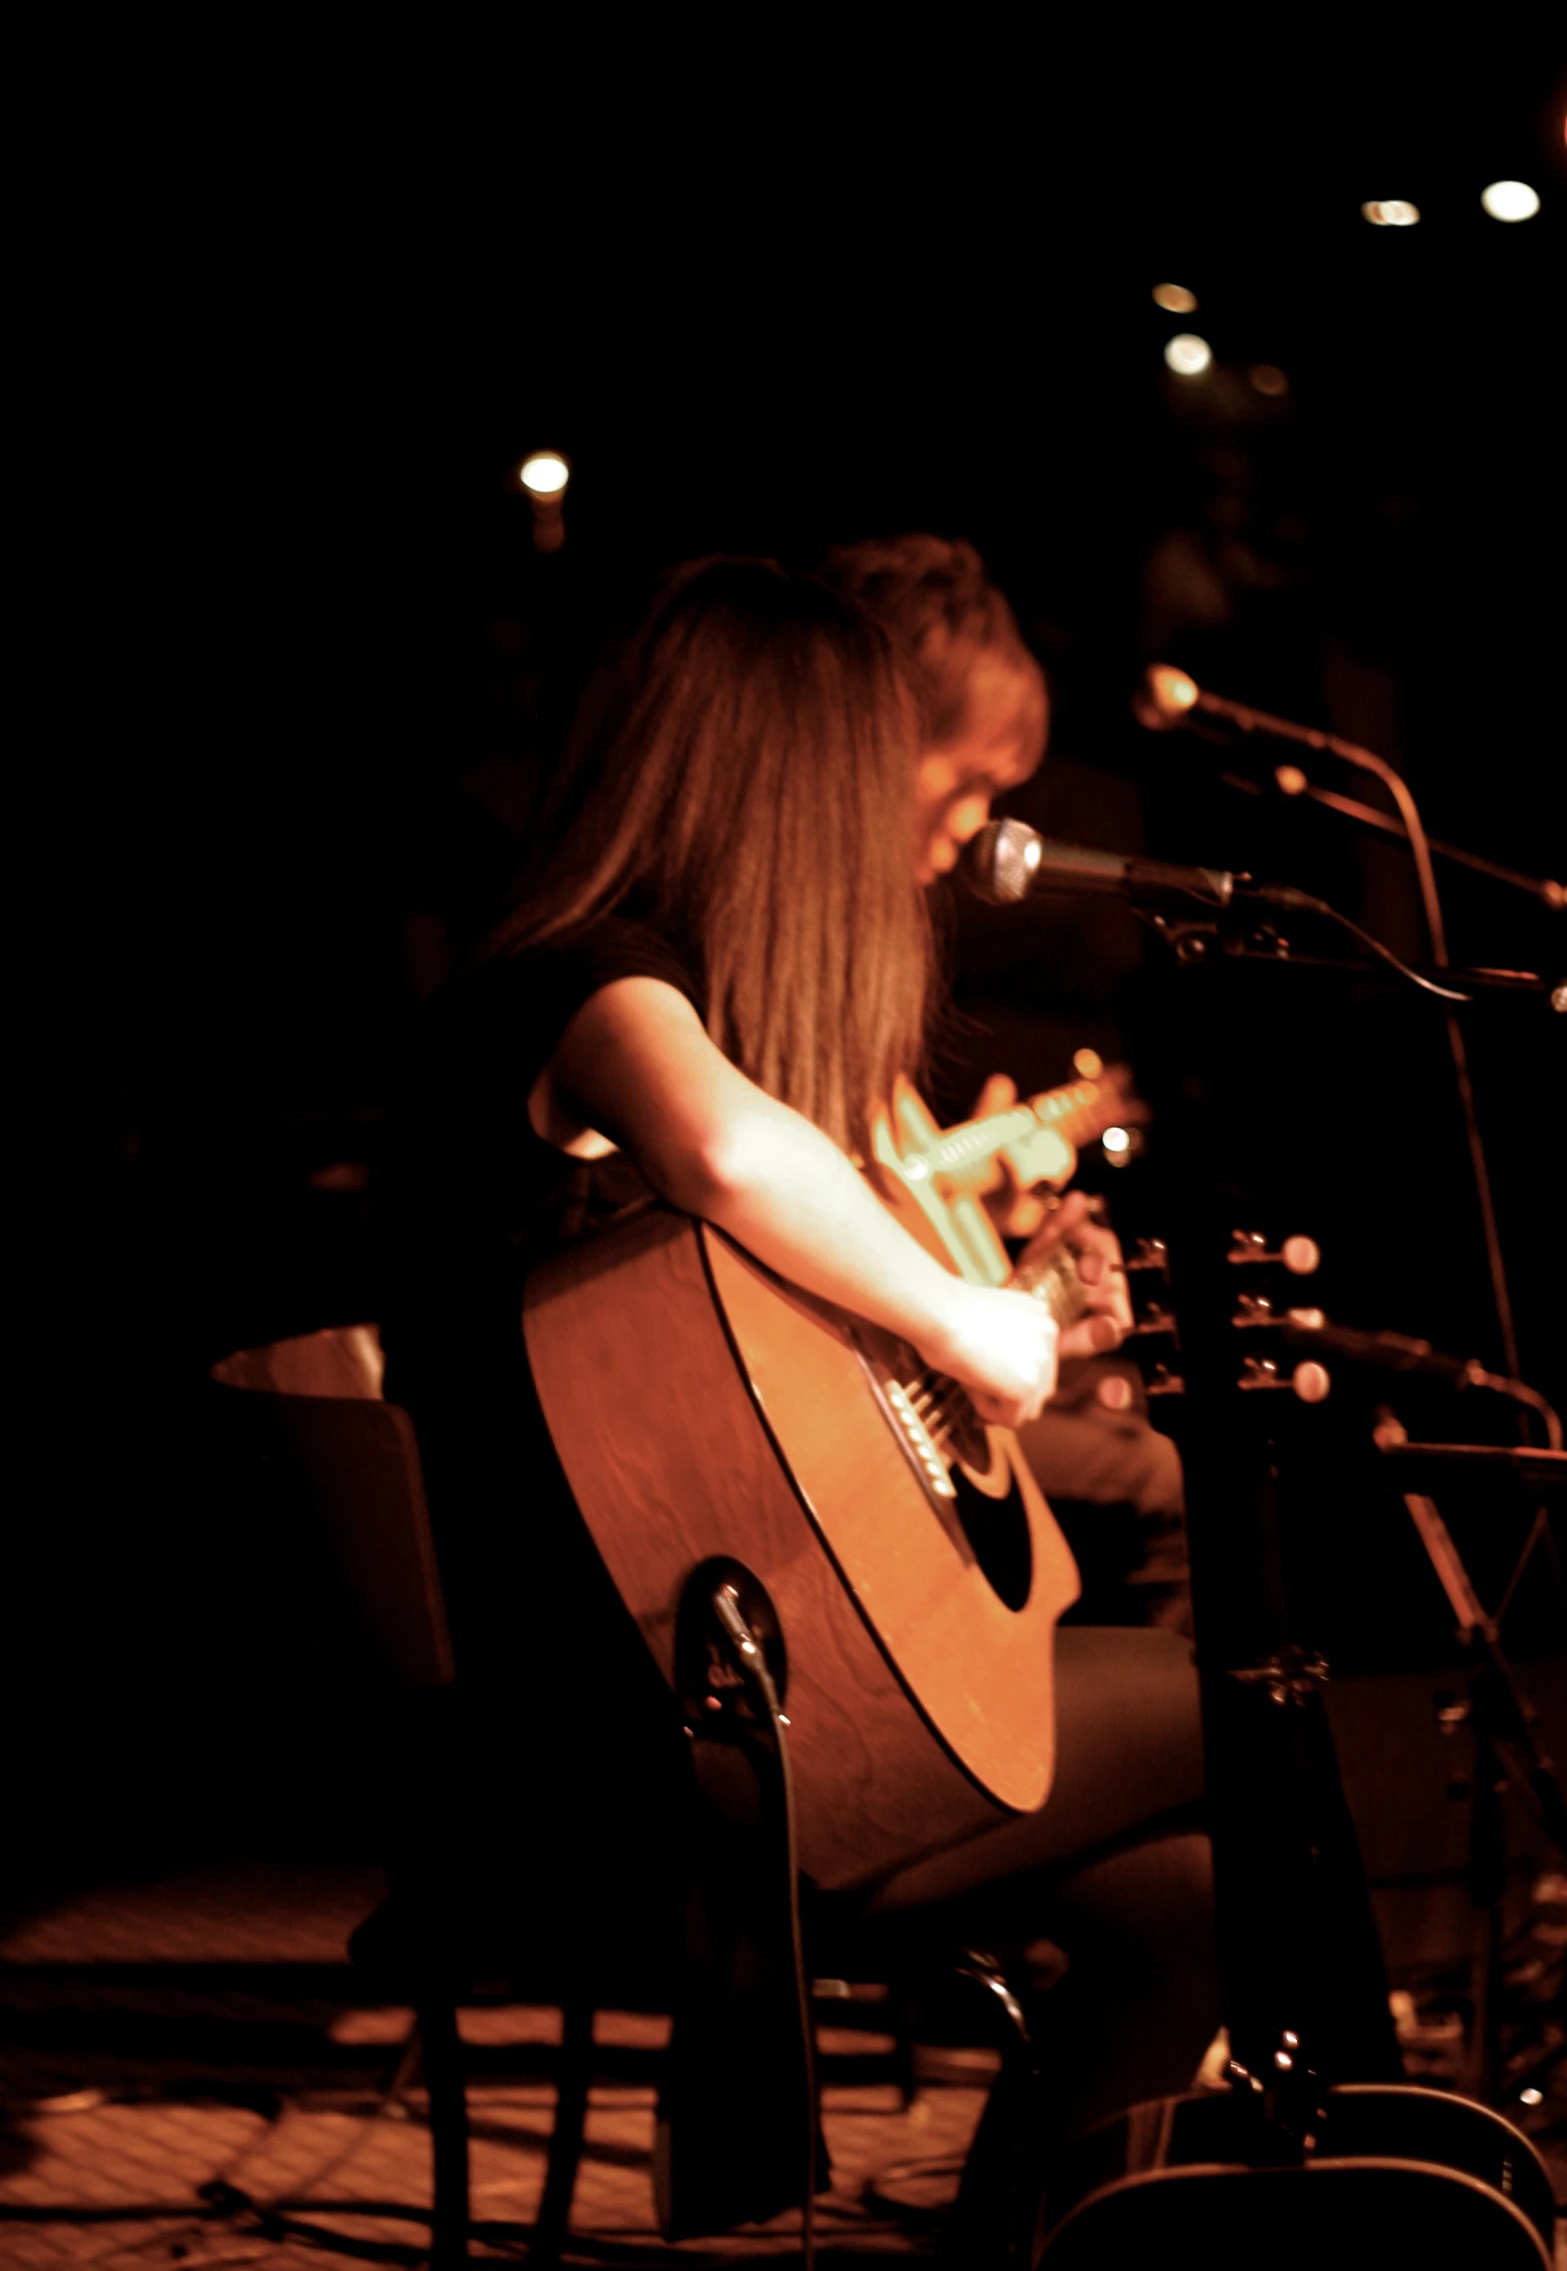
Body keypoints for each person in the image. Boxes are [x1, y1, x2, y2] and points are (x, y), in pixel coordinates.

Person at [376, 557, 1215, 2226]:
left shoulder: (642, 994)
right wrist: (988, 1339)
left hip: (680, 1722)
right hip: (622, 1779)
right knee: (1250, 1710)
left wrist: (995, 1325)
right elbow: (731, 1149)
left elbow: (734, 1410)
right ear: (786, 792)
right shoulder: (584, 985)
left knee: (1191, 1902)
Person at [823, 533, 1191, 1629]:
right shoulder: (749, 973)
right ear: (872, 737)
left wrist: (1019, 1283)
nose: (982, 825)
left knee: (1146, 1446)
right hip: (839, 1439)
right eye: (971, 779)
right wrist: (964, 1315)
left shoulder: (859, 965)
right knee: (1166, 1489)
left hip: (897, 1390)